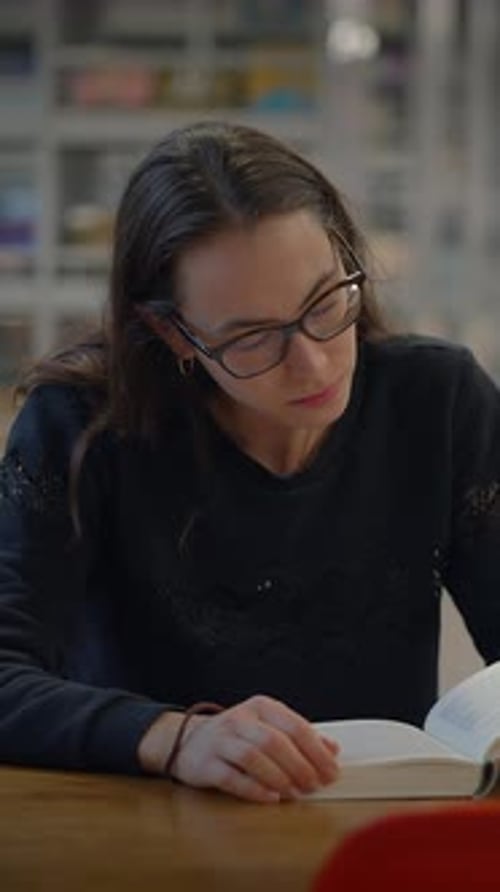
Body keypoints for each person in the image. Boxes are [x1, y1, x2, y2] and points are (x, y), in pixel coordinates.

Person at [1, 121, 500, 804]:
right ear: (173, 332)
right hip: (148, 830)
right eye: (253, 337)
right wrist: (176, 738)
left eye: (325, 301)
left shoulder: (437, 400)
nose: (313, 363)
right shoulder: (82, 425)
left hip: (380, 824)